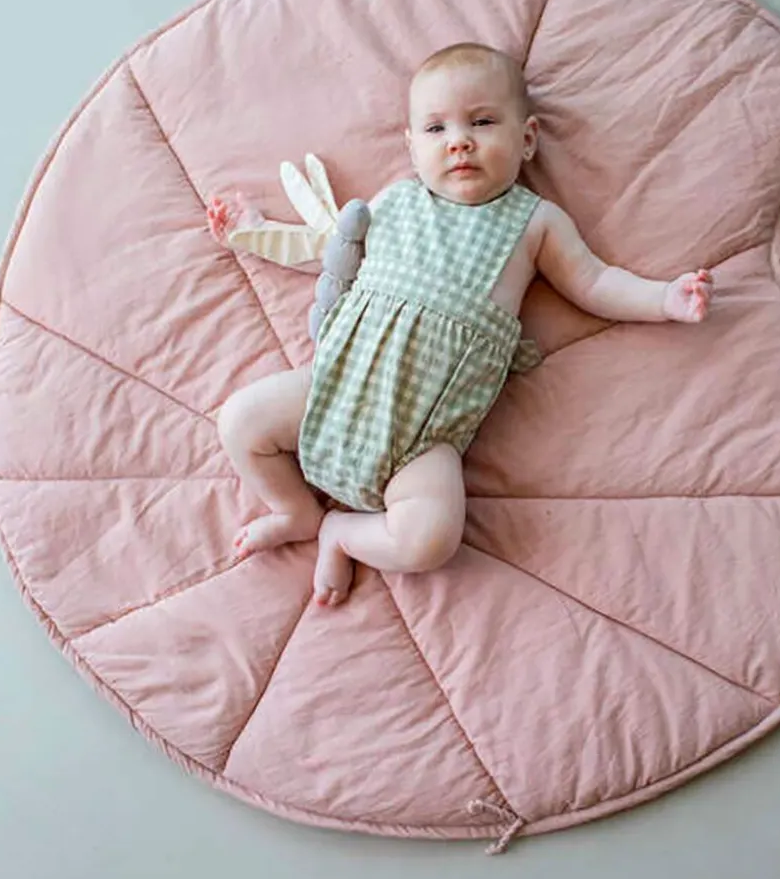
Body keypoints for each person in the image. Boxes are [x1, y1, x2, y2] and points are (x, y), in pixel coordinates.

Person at [213, 42, 713, 606]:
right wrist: (252, 230)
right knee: (239, 420)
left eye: (482, 122)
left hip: (424, 440)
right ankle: (295, 510)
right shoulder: (396, 201)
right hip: (333, 388)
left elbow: (594, 283)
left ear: (527, 139)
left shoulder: (535, 222)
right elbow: (333, 255)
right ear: (411, 146)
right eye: (436, 129)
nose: (459, 141)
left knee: (430, 538)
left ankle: (344, 533)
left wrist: (663, 298)